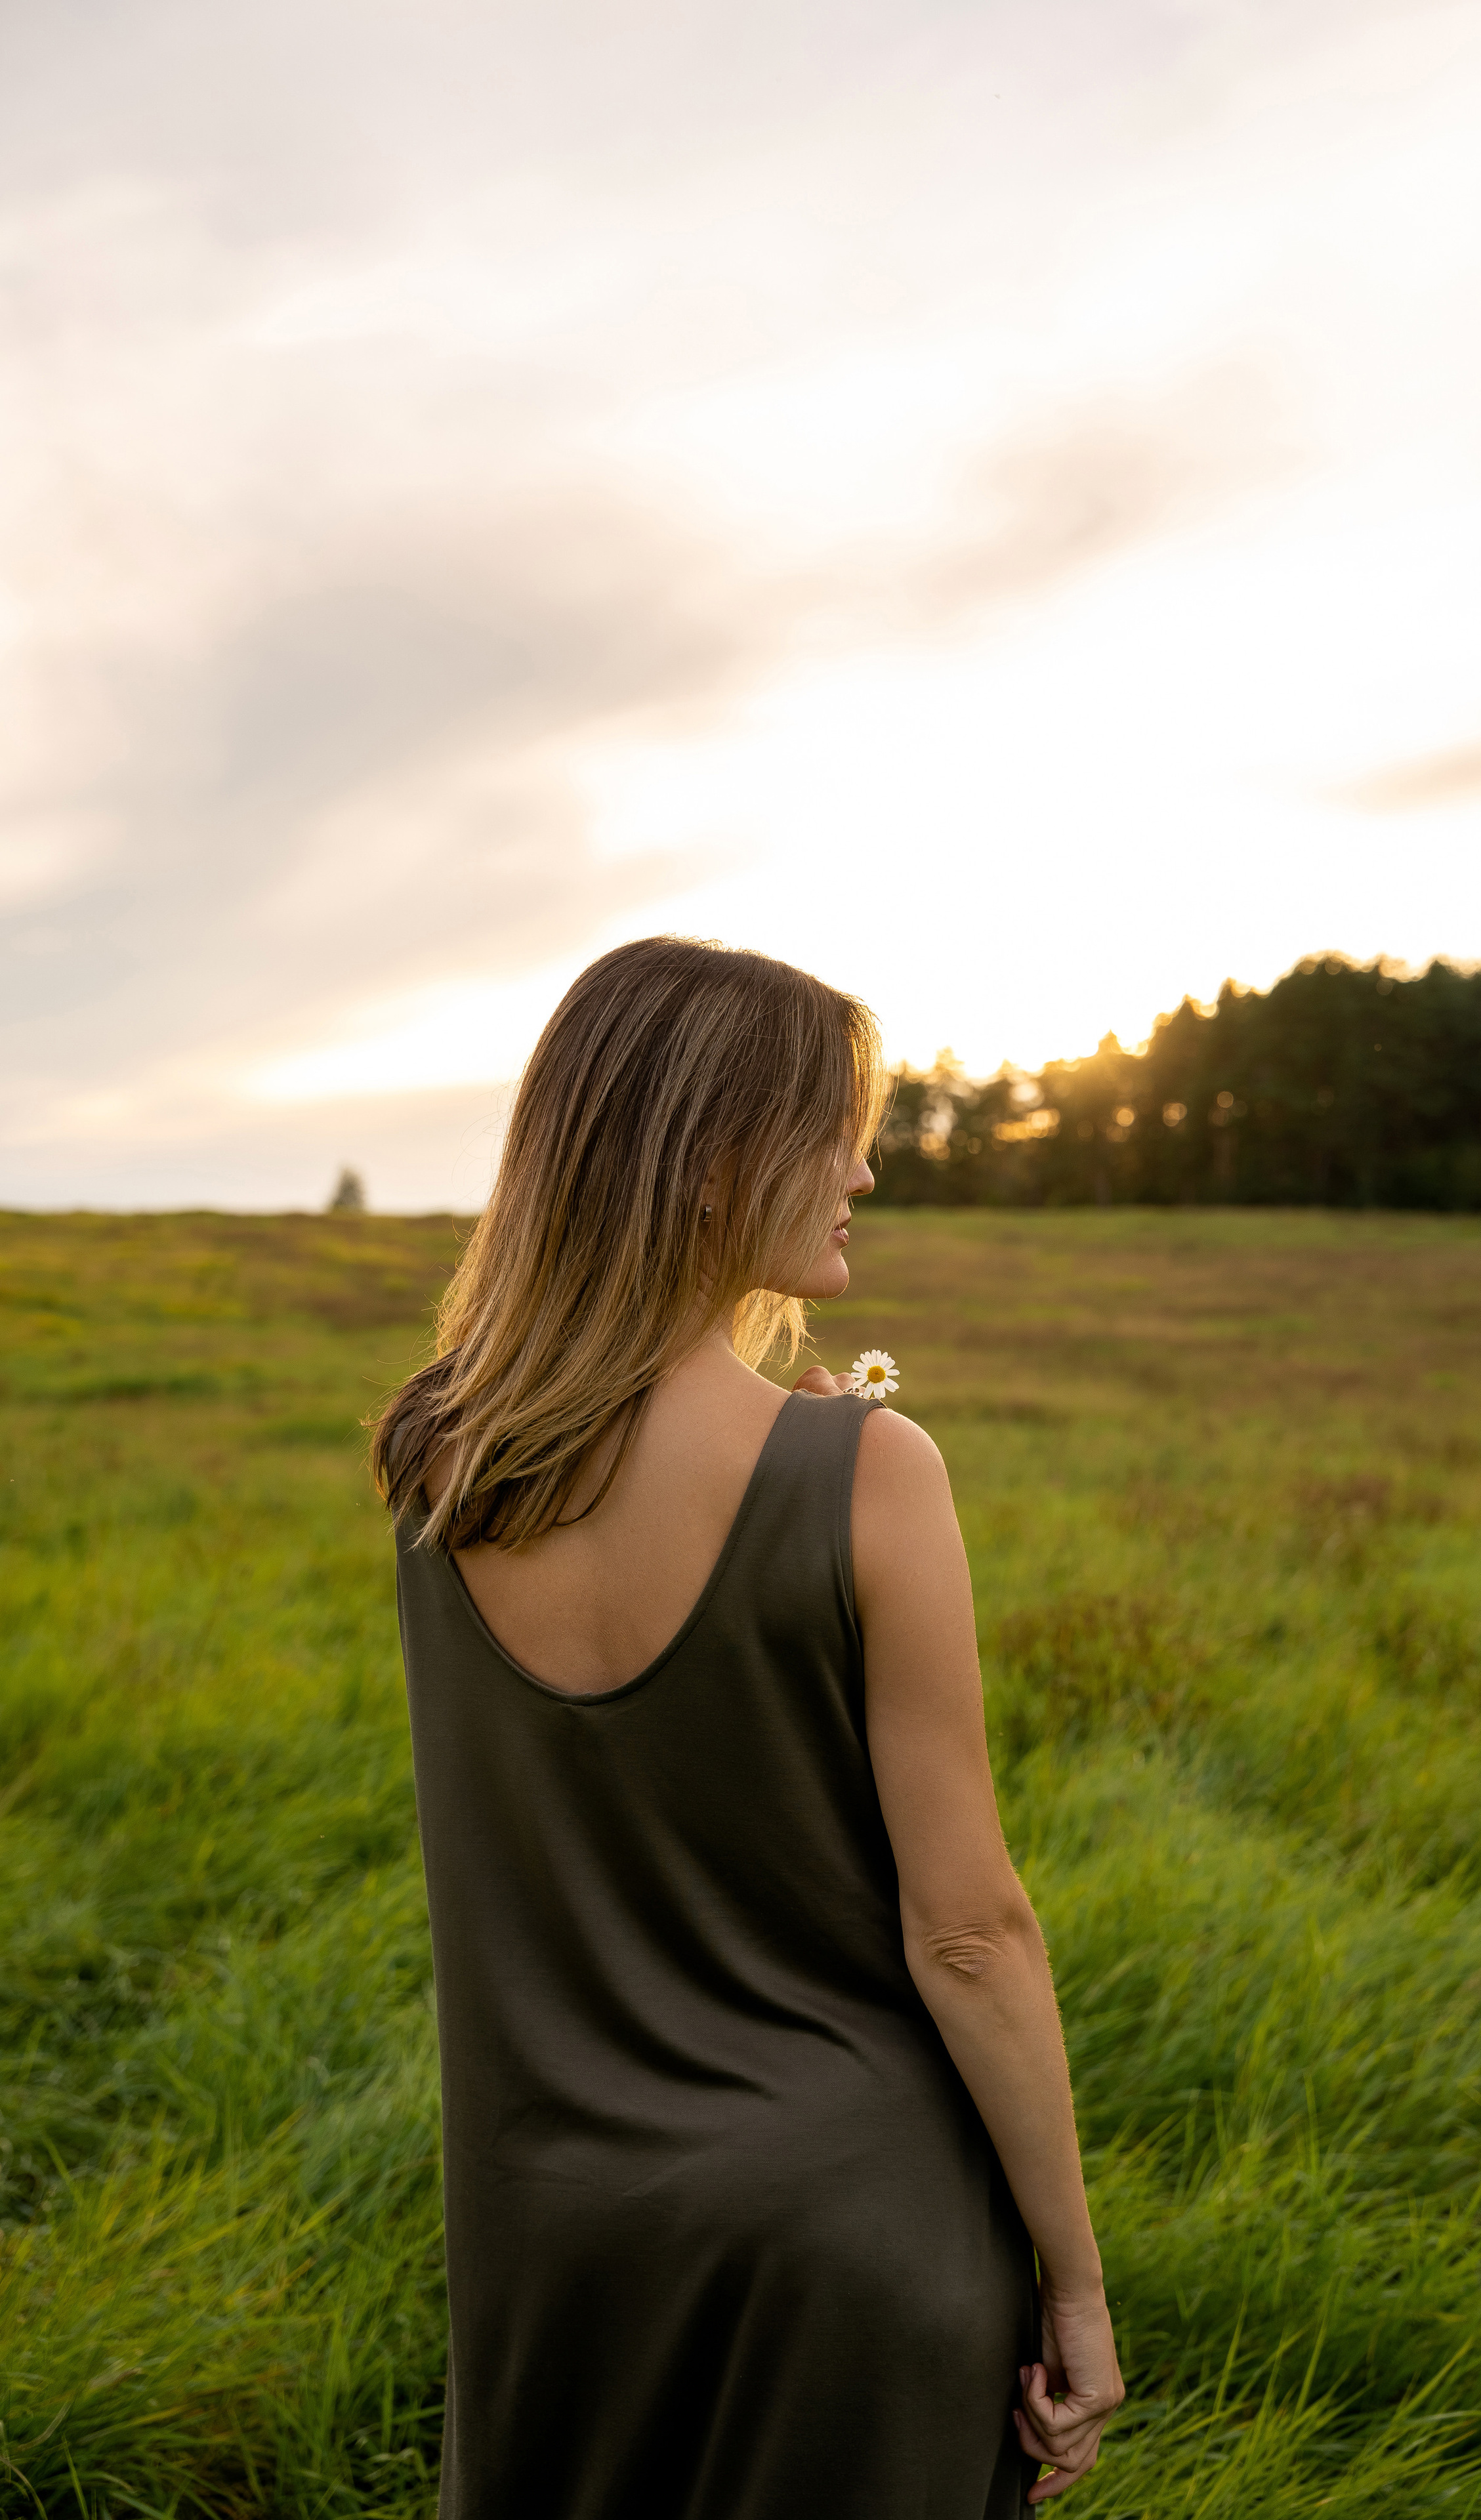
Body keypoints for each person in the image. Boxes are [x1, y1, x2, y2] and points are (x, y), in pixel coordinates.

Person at [373, 936, 1123, 2518]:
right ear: (711, 1162)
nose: (861, 1166)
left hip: (553, 2247)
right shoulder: (864, 1470)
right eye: (826, 1128)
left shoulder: (437, 1466)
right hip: (850, 2238)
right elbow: (973, 1933)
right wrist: (1072, 2280)